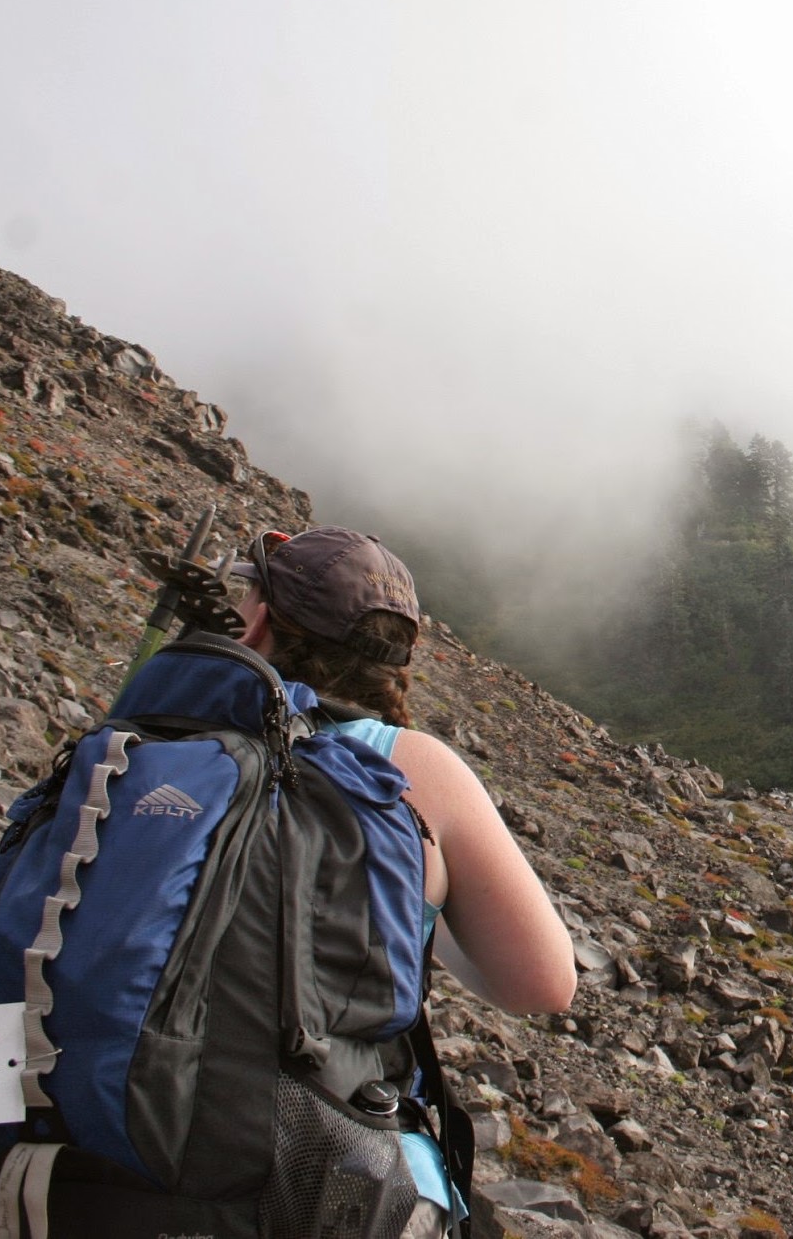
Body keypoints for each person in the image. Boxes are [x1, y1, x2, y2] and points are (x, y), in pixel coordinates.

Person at [230, 525, 577, 1235]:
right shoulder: (410, 770)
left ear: (261, 618)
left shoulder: (151, 744)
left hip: (83, 1158)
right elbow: (544, 983)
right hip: (317, 1175)